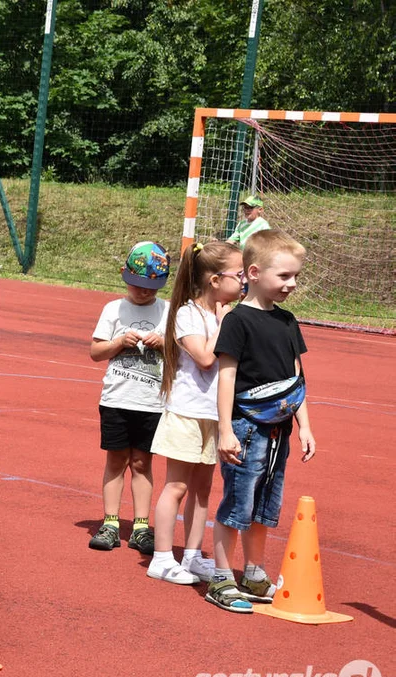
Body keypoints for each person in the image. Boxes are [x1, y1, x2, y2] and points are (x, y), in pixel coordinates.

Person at [207, 229, 316, 613]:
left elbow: (295, 379)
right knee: (237, 504)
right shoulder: (237, 321)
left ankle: (253, 573)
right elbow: (227, 377)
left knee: (265, 505)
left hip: (278, 430)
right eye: (284, 276)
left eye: (295, 276)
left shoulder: (288, 322)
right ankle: (221, 578)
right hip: (244, 428)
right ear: (253, 272)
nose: (292, 284)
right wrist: (224, 430)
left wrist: (305, 425)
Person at [146, 242, 243, 585]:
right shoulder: (187, 313)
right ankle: (161, 558)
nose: (244, 281)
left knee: (203, 489)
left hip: (213, 414)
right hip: (186, 413)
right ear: (216, 280)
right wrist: (222, 325)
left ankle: (191, 555)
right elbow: (204, 357)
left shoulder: (221, 314)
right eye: (239, 274)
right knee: (176, 486)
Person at [87, 241, 169, 554]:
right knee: (117, 461)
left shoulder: (167, 311)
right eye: (137, 286)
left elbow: (179, 352)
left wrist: (163, 343)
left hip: (151, 403)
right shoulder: (113, 309)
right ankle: (110, 522)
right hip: (117, 400)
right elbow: (96, 351)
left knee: (142, 462)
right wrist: (120, 341)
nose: (143, 293)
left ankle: (140, 526)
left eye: (150, 288)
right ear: (125, 276)